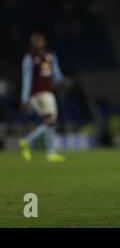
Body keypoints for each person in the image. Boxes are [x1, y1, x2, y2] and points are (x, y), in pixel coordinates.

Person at [19, 32, 69, 162]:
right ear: (33, 43)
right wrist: (24, 100)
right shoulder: (29, 58)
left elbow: (56, 74)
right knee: (51, 120)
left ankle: (47, 150)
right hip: (38, 94)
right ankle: (30, 142)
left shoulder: (50, 56)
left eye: (40, 40)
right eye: (36, 41)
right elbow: (27, 79)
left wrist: (62, 80)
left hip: (48, 92)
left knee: (50, 122)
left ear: (44, 41)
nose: (38, 43)